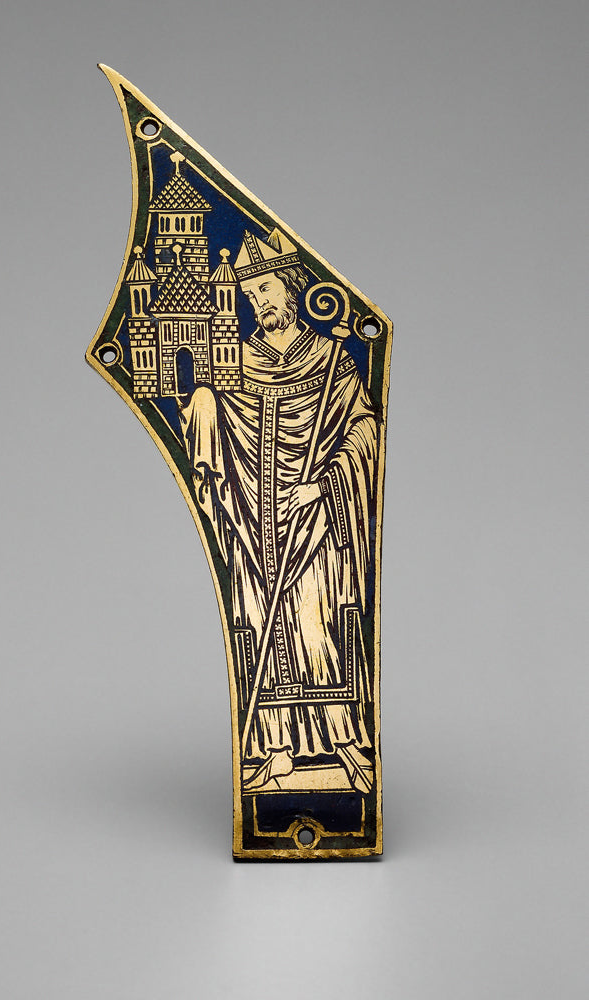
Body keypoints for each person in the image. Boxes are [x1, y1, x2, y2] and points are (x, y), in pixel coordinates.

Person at [179, 228, 378, 793]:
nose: (257, 302)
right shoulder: (238, 362)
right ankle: (277, 750)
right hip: (252, 518)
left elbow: (365, 429)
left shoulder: (332, 360)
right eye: (249, 295)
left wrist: (326, 483)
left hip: (314, 519)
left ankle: (346, 742)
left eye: (264, 289)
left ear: (291, 289)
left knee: (317, 625)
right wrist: (203, 400)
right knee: (257, 623)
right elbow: (212, 410)